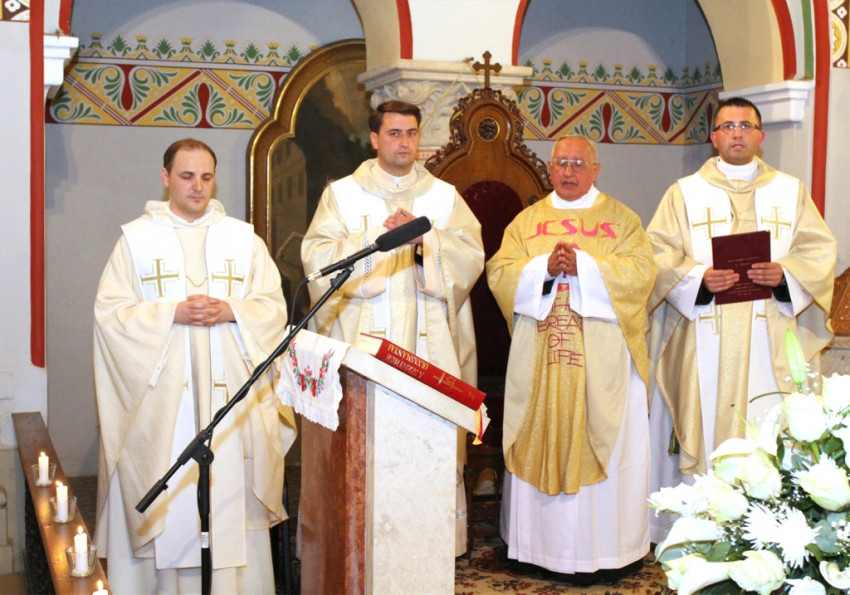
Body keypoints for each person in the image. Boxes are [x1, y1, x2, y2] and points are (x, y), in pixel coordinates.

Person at [93, 138, 297, 593]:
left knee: (230, 505)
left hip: (230, 410)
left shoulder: (243, 240)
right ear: (166, 177)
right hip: (163, 412)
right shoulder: (135, 241)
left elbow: (272, 308)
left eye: (206, 177)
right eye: (187, 177)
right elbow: (111, 315)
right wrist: (171, 314)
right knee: (169, 497)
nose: (198, 187)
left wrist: (231, 311)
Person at [647, 97, 836, 542]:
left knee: (770, 426)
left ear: (760, 136)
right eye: (727, 126)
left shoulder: (790, 191)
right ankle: (699, 532)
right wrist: (699, 278)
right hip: (704, 331)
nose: (737, 133)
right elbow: (657, 254)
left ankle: (771, 533)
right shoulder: (683, 193)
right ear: (714, 137)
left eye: (745, 126)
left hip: (770, 333)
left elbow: (819, 252)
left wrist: (785, 275)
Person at [300, 100, 484, 556]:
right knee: (364, 452)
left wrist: (427, 239)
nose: (404, 142)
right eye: (395, 133)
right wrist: (374, 241)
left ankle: (428, 549)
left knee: (427, 450)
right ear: (375, 139)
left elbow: (471, 256)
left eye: (412, 133)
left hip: (429, 351)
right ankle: (359, 550)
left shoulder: (444, 196)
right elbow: (317, 258)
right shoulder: (342, 195)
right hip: (363, 350)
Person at [486, 134, 656, 579]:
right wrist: (542, 269)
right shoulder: (527, 222)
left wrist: (586, 267)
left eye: (579, 163)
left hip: (603, 363)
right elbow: (499, 272)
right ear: (549, 167)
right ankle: (538, 549)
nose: (568, 171)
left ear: (595, 169)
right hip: (540, 359)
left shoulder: (622, 220)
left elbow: (642, 273)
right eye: (561, 162)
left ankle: (607, 553)